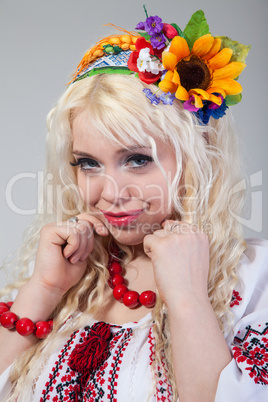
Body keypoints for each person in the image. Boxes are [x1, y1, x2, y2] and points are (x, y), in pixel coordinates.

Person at [0, 8, 267, 402]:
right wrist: (45, 287)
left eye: (137, 160)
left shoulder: (255, 278)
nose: (110, 191)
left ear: (199, 156)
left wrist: (187, 296)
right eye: (88, 163)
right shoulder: (69, 273)